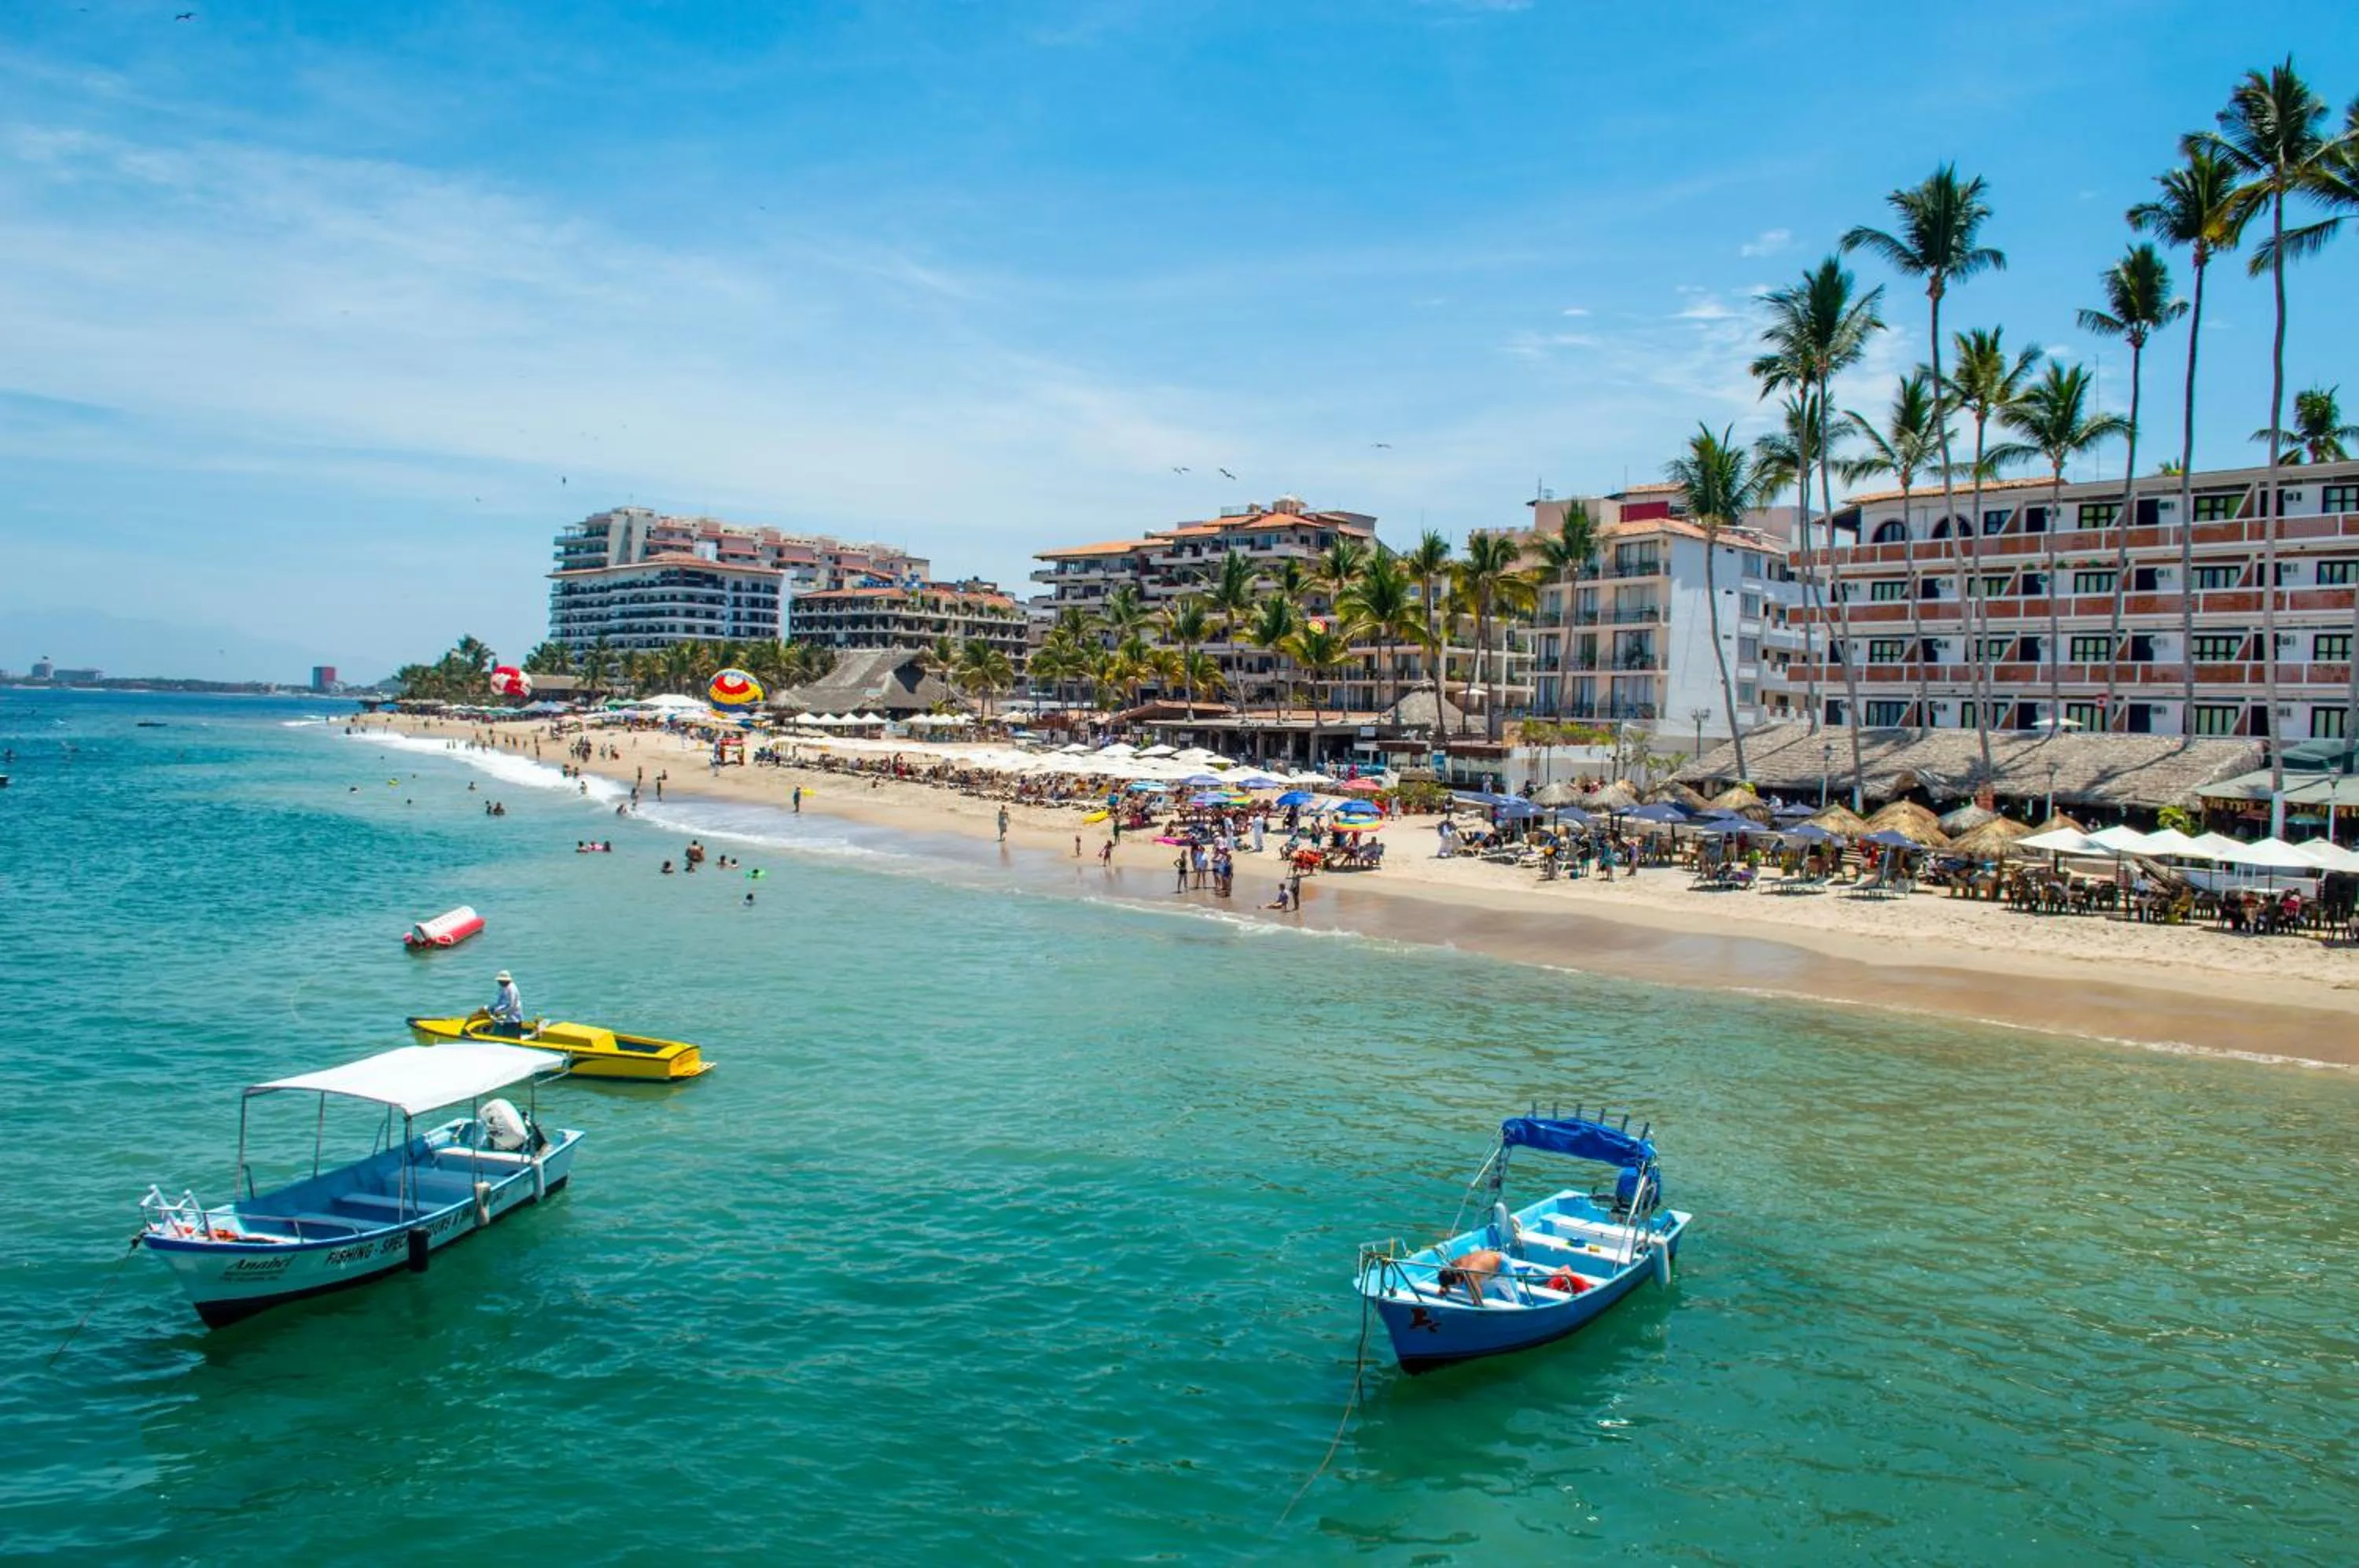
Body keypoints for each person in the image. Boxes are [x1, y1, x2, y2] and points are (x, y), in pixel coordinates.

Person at [485, 970, 525, 1036]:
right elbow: (499, 1002)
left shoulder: (512, 989)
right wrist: (489, 1008)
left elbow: (512, 1005)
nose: (498, 982)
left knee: (511, 1036)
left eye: (500, 981)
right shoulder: (503, 988)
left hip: (513, 1019)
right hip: (506, 1017)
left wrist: (501, 1012)